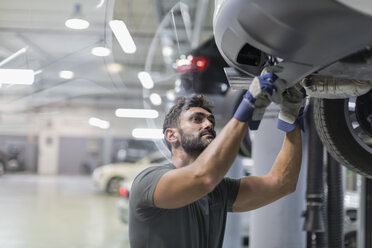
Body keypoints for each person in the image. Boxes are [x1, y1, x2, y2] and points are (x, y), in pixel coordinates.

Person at [129, 70, 305, 248]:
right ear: (172, 135)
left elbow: (282, 182)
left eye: (211, 122)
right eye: (197, 119)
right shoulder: (149, 181)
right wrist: (247, 105)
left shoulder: (219, 191)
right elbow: (203, 178)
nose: (208, 125)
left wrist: (291, 119)